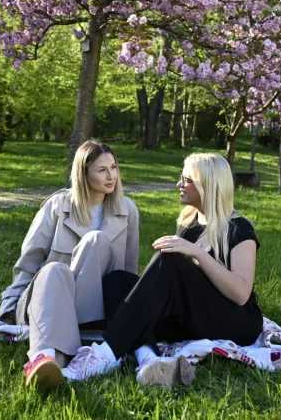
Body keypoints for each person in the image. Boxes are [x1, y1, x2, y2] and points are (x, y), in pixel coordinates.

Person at [63, 152, 262, 389]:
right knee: (117, 282)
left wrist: (196, 254)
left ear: (207, 185)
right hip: (191, 318)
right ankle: (148, 357)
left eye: (186, 179)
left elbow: (240, 294)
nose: (179, 184)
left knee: (170, 259)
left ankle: (105, 355)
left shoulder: (239, 228)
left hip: (234, 323)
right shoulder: (189, 225)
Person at [0, 140, 140, 390]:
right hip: (47, 300)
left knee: (95, 240)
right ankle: (44, 359)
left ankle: (56, 359)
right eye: (102, 170)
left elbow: (127, 273)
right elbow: (29, 261)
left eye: (114, 167)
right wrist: (9, 310)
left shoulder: (128, 210)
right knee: (54, 269)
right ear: (83, 174)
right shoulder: (57, 206)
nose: (111, 176)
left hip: (93, 312)